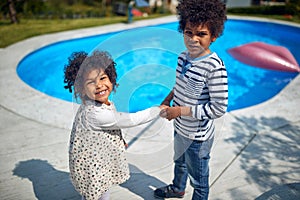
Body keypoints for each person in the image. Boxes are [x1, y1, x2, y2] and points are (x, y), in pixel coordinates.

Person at [63, 50, 165, 200]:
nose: (99, 85)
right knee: (100, 192)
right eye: (91, 82)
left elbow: (111, 127)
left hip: (97, 159)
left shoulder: (98, 104)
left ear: (111, 79)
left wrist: (119, 140)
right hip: (93, 167)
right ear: (81, 88)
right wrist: (158, 110)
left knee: (99, 191)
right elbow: (132, 119)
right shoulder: (96, 113)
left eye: (102, 78)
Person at [154, 0, 228, 199]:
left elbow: (218, 108)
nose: (193, 39)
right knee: (179, 162)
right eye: (189, 32)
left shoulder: (214, 67)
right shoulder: (182, 58)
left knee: (199, 177)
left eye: (201, 34)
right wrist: (168, 99)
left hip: (198, 137)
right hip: (180, 128)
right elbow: (179, 84)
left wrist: (180, 111)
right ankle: (178, 189)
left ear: (213, 36)